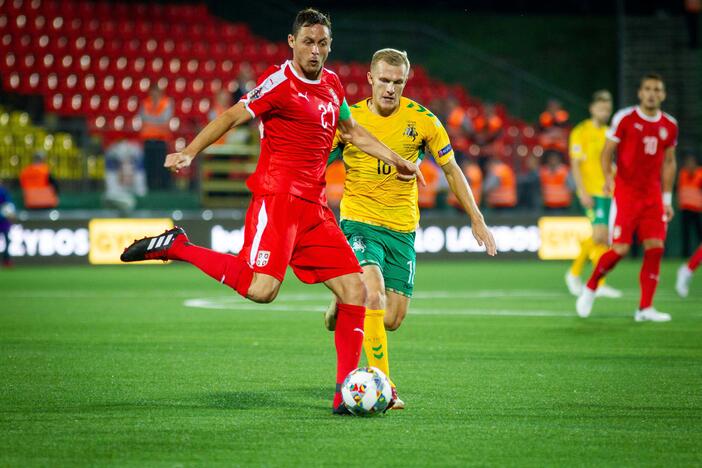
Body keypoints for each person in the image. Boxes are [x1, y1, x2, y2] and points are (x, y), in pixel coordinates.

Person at [120, 9, 424, 415]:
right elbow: (233, 115)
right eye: (308, 42)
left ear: (329, 46)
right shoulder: (279, 83)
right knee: (262, 290)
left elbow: (351, 132)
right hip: (278, 200)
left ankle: (343, 396)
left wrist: (397, 159)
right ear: (292, 42)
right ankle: (178, 247)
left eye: (322, 43)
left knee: (356, 291)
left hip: (314, 208)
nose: (315, 50)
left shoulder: (332, 85)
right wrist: (191, 151)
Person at [325, 48, 497, 409]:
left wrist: (477, 218)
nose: (390, 88)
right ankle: (385, 387)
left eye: (397, 82)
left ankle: (343, 300)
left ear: (406, 81)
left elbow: (451, 170)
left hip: (402, 229)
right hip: (358, 220)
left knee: (390, 320)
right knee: (373, 295)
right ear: (371, 78)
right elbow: (317, 161)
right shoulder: (349, 120)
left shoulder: (424, 122)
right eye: (384, 80)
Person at [576, 73, 678, 322]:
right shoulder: (625, 118)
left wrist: (667, 199)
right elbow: (606, 152)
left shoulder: (669, 125)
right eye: (648, 89)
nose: (652, 93)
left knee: (655, 248)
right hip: (627, 193)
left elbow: (669, 163)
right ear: (640, 93)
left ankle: (645, 308)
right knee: (620, 248)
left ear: (663, 95)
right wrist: (608, 178)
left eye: (657, 89)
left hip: (653, 196)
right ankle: (591, 287)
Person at [565, 90, 621, 298]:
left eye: (607, 109)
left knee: (604, 240)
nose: (604, 112)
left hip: (608, 191)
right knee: (599, 235)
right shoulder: (581, 131)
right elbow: (576, 165)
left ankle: (599, 282)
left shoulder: (609, 133)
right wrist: (581, 191)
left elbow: (610, 163)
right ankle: (574, 274)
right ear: (592, 108)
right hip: (591, 192)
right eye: (601, 108)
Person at [140, 84, 174, 190]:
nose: (154, 95)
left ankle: (164, 187)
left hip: (161, 139)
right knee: (149, 165)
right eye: (152, 93)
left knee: (162, 164)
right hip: (148, 139)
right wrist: (157, 119)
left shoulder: (167, 103)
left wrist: (151, 120)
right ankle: (150, 186)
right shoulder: (145, 103)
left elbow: (164, 119)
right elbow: (143, 117)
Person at [676, 151, 702, 257]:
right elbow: (679, 188)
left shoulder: (700, 173)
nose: (689, 164)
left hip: (697, 209)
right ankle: (685, 255)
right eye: (687, 162)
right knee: (685, 234)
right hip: (685, 209)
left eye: (691, 162)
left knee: (699, 233)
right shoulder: (683, 173)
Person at [0, 178, 16, 267]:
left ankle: (6, 261)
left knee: (7, 241)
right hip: (4, 220)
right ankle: (6, 261)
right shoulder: (4, 192)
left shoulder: (4, 192)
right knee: (7, 241)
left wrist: (10, 214)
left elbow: (9, 206)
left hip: (3, 222)